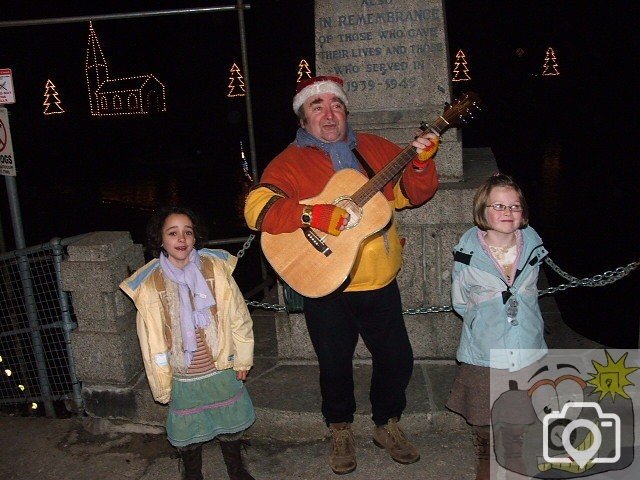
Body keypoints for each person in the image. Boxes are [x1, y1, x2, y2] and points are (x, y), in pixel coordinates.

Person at [244, 76, 439, 475]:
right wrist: (312, 214)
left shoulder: (375, 150)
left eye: (336, 105)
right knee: (334, 365)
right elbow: (257, 209)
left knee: (397, 360)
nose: (328, 114)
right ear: (303, 119)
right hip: (324, 281)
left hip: (380, 278)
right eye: (317, 107)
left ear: (346, 112)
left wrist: (421, 162)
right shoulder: (289, 162)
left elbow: (413, 194)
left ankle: (386, 424)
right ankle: (340, 428)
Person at [120, 206, 256, 480]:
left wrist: (242, 358)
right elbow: (150, 343)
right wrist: (161, 384)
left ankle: (236, 469)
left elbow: (238, 316)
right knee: (188, 431)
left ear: (195, 238)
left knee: (230, 422)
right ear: (161, 240)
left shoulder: (214, 268)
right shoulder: (150, 284)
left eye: (187, 232)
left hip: (220, 364)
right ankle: (192, 473)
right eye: (173, 233)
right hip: (183, 373)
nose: (181, 239)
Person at [446, 174, 548, 480]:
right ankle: (486, 455)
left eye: (515, 206)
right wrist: (484, 321)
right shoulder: (467, 255)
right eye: (499, 205)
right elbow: (460, 301)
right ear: (483, 211)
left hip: (527, 346)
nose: (508, 212)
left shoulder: (532, 246)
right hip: (485, 350)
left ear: (523, 212)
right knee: (484, 413)